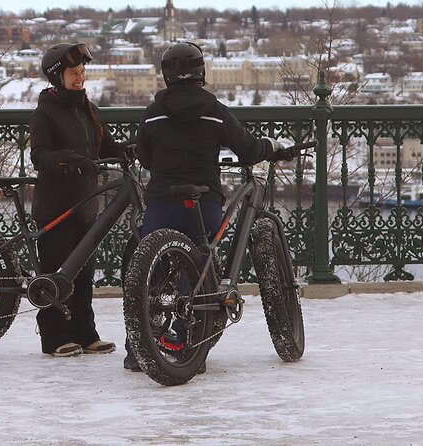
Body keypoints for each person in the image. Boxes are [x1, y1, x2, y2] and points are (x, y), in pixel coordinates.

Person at [123, 41, 285, 371]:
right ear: (201, 72)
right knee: (200, 263)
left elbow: (144, 156)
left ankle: (137, 348)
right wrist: (273, 146)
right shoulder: (214, 110)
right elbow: (248, 148)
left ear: (166, 75)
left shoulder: (153, 114)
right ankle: (190, 344)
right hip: (203, 204)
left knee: (151, 270)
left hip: (161, 206)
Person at [29, 43, 128, 357]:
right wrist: (69, 160)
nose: (80, 79)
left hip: (86, 205)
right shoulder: (46, 111)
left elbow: (106, 147)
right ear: (59, 77)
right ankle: (55, 337)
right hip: (57, 206)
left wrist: (129, 151)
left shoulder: (89, 108)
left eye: (82, 73)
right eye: (74, 74)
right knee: (55, 273)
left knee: (84, 275)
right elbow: (40, 156)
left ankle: (86, 334)